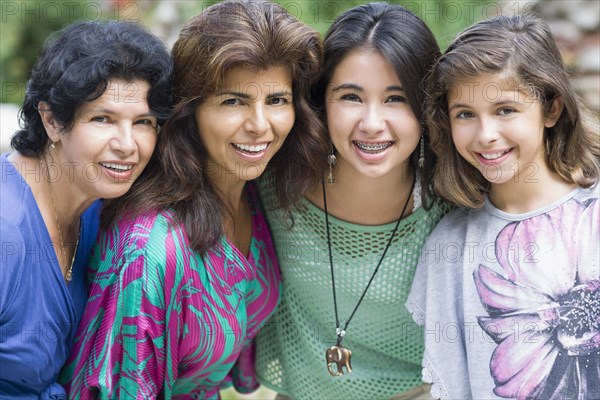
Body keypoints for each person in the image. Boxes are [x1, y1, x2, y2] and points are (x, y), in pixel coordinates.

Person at [60, 0, 325, 398]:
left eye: (276, 100)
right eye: (233, 101)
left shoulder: (254, 193)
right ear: (191, 109)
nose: (260, 125)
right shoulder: (150, 250)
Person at [254, 3, 451, 399]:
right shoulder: (274, 181)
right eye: (350, 97)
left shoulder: (452, 202)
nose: (372, 123)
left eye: (396, 99)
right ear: (321, 100)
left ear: (427, 106)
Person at [406, 14, 600, 400]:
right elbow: (451, 383)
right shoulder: (450, 246)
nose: (485, 135)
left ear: (551, 109)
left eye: (505, 110)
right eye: (465, 114)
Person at [0, 20, 172, 398]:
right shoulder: (5, 230)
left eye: (143, 122)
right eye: (102, 119)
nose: (128, 145)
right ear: (52, 120)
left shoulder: (99, 209)